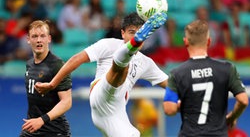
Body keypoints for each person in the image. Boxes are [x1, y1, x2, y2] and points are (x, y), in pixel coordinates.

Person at [35, 12, 168, 137]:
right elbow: (77, 59)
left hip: (116, 111)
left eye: (139, 34)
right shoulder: (108, 44)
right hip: (101, 93)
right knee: (121, 68)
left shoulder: (146, 63)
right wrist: (53, 83)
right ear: (122, 33)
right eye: (131, 32)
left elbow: (170, 85)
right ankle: (124, 56)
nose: (134, 35)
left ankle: (125, 56)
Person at [162, 20, 249, 137]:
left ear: (185, 41)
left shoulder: (176, 73)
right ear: (209, 41)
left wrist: (188, 105)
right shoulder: (226, 69)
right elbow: (243, 100)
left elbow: (169, 109)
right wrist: (232, 117)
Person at [20, 20, 72, 136]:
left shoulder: (58, 65)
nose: (39, 40)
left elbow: (67, 102)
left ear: (49, 39)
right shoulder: (29, 64)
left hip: (55, 131)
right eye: (34, 36)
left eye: (42, 36)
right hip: (32, 129)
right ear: (28, 39)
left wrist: (41, 120)